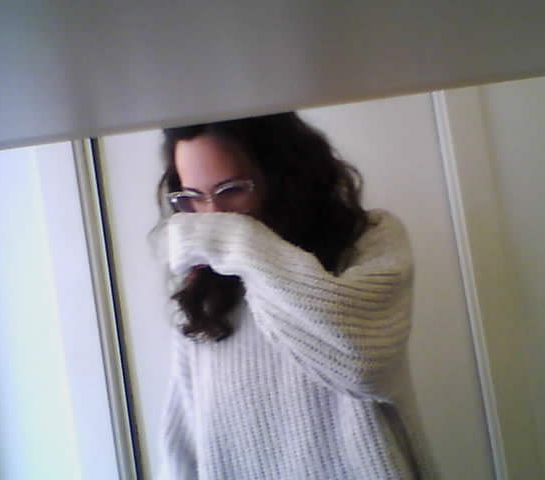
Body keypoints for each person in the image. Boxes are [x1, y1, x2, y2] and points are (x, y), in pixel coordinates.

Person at [157, 112, 436, 479]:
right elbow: (185, 430)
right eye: (193, 197)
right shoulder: (201, 287)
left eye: (232, 190)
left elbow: (364, 364)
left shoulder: (371, 238)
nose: (211, 216)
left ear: (281, 176)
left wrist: (241, 244)